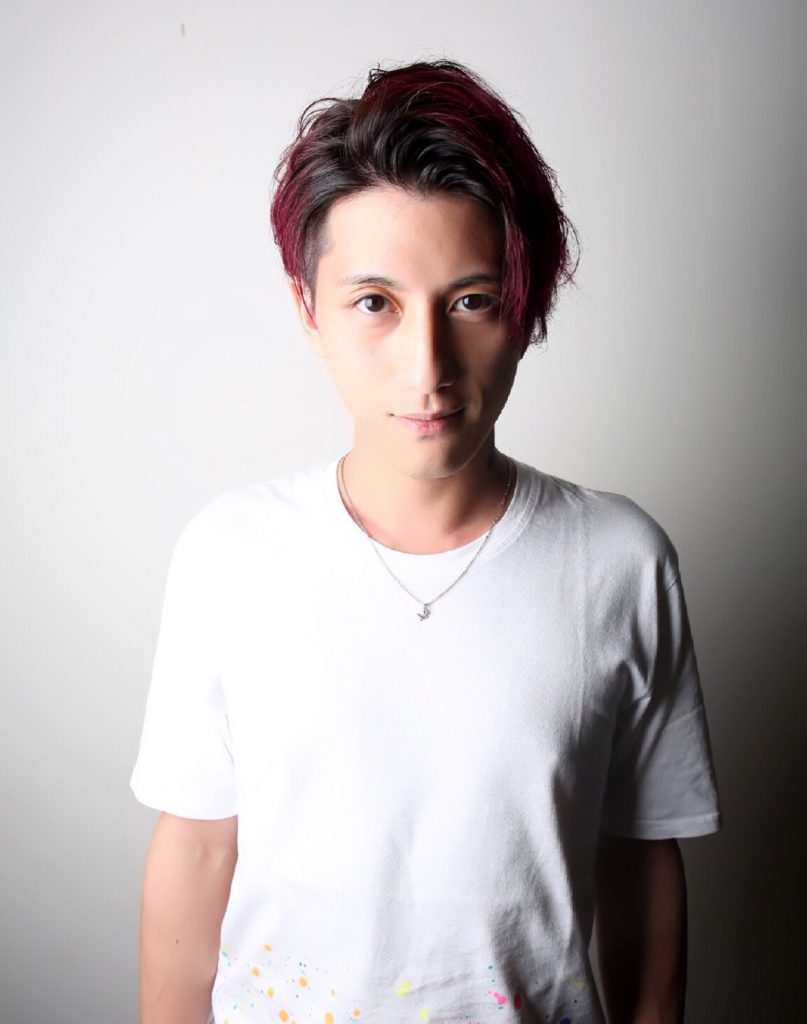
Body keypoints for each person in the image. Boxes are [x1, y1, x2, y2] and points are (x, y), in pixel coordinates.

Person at [131, 59, 722, 1024]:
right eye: (375, 302)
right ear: (308, 311)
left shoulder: (619, 561)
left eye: (471, 300)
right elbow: (197, 847)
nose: (427, 367)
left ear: (523, 310)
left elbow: (641, 855)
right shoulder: (230, 554)